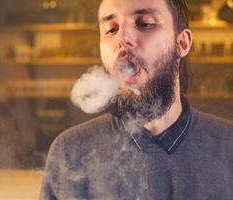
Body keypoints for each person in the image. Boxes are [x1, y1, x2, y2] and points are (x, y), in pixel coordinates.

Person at [40, 0, 233, 199]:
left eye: (145, 24)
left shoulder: (228, 147)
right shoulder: (70, 151)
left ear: (182, 43)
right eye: (111, 29)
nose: (122, 39)